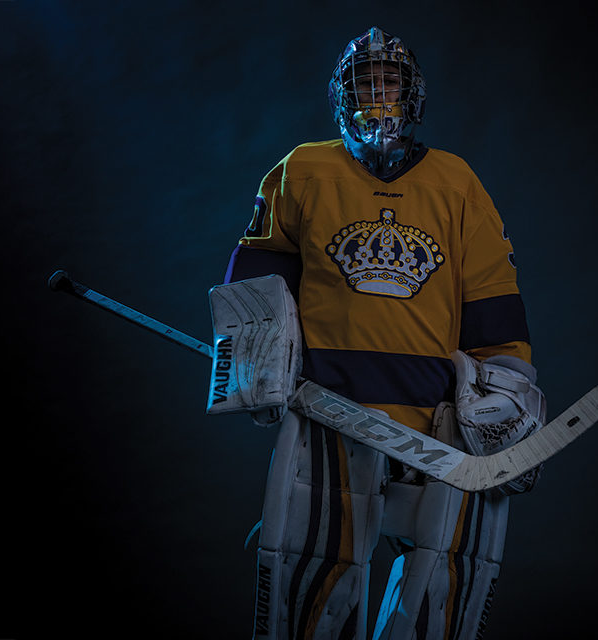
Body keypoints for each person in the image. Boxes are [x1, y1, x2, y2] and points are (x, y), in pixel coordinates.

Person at [219, 26, 546, 640]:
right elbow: (258, 278)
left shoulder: (456, 183)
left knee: (443, 581)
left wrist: (506, 387)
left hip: (437, 422)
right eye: (365, 84)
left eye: (390, 83)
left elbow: (491, 294)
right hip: (328, 412)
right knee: (313, 568)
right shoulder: (303, 171)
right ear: (342, 96)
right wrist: (251, 365)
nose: (379, 96)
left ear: (413, 96)